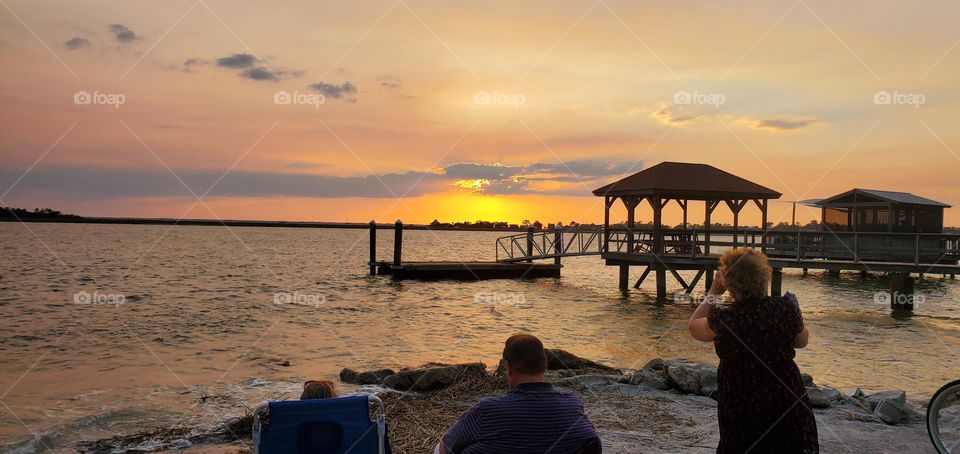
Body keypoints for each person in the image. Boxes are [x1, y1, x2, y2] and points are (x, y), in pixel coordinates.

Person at [688, 248, 819, 453]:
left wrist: (713, 293)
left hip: (742, 402)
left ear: (729, 284)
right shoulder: (784, 309)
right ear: (764, 277)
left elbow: (694, 326)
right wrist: (796, 317)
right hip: (784, 398)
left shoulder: (726, 319)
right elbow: (802, 341)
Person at [437, 334, 601, 454]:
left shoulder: (487, 410)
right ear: (545, 366)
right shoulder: (572, 403)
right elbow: (594, 445)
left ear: (507, 368)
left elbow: (446, 448)